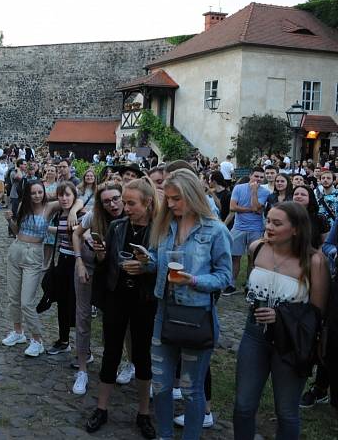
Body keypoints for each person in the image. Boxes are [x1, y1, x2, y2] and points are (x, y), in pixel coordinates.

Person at [233, 202, 329, 440]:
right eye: (268, 221)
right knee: (243, 406)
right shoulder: (256, 248)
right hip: (254, 334)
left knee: (286, 412)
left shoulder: (314, 261)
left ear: (296, 229)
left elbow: (317, 314)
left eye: (277, 223)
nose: (269, 227)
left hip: (291, 342)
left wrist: (282, 315)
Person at [148, 169, 232, 440]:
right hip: (164, 311)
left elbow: (225, 276)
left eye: (176, 199)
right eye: (168, 198)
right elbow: (157, 258)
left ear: (193, 196)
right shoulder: (165, 224)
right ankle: (163, 435)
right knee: (160, 383)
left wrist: (193, 280)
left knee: (191, 388)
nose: (170, 204)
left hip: (197, 313)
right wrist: (146, 261)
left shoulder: (215, 230)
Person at [85, 178, 158, 438]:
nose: (125, 207)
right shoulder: (116, 227)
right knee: (111, 352)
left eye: (131, 203)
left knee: (142, 356)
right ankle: (101, 409)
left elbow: (165, 265)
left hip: (144, 300)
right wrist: (101, 254)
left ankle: (144, 413)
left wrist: (148, 267)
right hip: (117, 296)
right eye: (124, 202)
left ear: (148, 202)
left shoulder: (159, 230)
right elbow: (106, 266)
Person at [72, 182, 126, 390]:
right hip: (88, 267)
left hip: (113, 272)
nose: (112, 204)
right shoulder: (94, 216)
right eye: (106, 201)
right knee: (83, 317)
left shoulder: (130, 215)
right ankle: (82, 370)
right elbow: (77, 233)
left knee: (114, 320)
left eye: (115, 199)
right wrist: (78, 262)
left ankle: (117, 364)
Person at [2, 180, 60, 356]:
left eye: (39, 192)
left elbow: (71, 198)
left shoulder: (49, 207)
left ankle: (37, 339)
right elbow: (16, 230)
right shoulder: (23, 206)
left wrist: (73, 211)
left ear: (44, 192)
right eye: (33, 193)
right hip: (16, 250)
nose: (36, 196)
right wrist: (10, 219)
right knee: (14, 298)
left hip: (34, 254)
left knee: (27, 302)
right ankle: (18, 332)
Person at [43, 182, 79, 356]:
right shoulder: (61, 212)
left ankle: (84, 348)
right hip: (63, 260)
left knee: (77, 305)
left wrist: (74, 211)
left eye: (68, 195)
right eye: (61, 195)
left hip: (76, 261)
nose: (64, 199)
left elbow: (79, 237)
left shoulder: (80, 213)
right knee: (63, 303)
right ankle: (64, 340)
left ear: (74, 196)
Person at [227, 167, 271, 295]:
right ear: (250, 175)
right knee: (235, 257)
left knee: (253, 259)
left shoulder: (264, 192)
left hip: (256, 229)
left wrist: (253, 192)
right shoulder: (238, 188)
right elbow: (232, 207)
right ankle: (231, 283)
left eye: (261, 177)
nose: (258, 179)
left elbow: (256, 206)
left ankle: (249, 284)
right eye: (256, 176)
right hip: (238, 227)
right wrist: (251, 210)